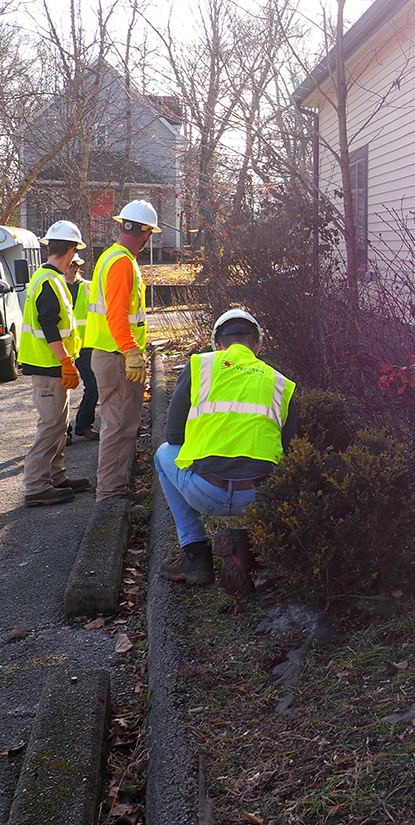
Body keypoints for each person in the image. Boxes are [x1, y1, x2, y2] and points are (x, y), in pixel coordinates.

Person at [155, 309, 298, 586]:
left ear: (217, 344)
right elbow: (289, 451)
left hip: (205, 491)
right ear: (257, 345)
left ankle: (195, 555)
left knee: (163, 454)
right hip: (257, 499)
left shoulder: (199, 365)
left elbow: (173, 435)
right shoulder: (280, 382)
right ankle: (260, 549)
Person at [84, 200, 159, 502]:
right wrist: (130, 351)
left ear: (120, 226)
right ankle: (111, 494)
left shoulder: (111, 257)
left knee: (122, 423)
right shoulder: (122, 262)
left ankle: (116, 488)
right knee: (118, 425)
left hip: (113, 354)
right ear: (146, 233)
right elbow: (117, 315)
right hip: (117, 356)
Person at [17, 221, 92, 506]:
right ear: (72, 250)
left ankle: (55, 476)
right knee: (50, 426)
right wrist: (65, 361)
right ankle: (36, 486)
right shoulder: (50, 280)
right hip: (50, 365)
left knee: (58, 425)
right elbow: (49, 324)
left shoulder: (49, 277)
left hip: (53, 364)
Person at [64, 254, 99, 443]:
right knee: (62, 390)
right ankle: (64, 431)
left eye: (70, 266)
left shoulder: (89, 287)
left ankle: (84, 425)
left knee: (93, 387)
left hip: (86, 345)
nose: (66, 269)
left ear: (76, 267)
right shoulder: (54, 286)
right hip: (64, 346)